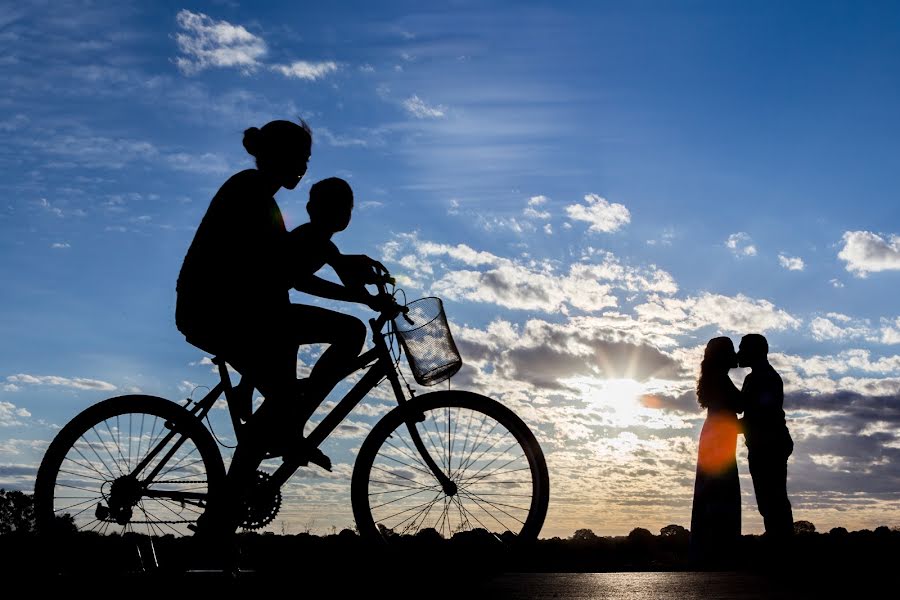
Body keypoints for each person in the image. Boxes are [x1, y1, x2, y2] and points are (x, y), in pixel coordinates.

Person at [176, 120, 390, 535]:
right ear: (278, 156)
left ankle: (230, 504)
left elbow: (289, 269)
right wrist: (355, 286)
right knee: (346, 336)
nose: (303, 167)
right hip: (219, 311)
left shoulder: (265, 200)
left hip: (241, 311)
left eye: (308, 161)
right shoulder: (250, 191)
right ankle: (232, 501)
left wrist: (351, 275)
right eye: (300, 159)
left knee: (279, 402)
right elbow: (285, 270)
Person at [689, 336, 743, 568]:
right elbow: (739, 405)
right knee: (720, 492)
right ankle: (718, 553)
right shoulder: (721, 380)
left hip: (715, 436)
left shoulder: (716, 378)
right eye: (732, 350)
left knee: (712, 492)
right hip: (718, 439)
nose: (736, 354)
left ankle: (709, 551)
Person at [737, 333, 794, 544]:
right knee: (769, 501)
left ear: (754, 351)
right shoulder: (754, 377)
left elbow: (761, 416)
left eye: (742, 349)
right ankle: (780, 545)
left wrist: (723, 427)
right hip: (765, 443)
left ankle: (782, 547)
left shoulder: (764, 378)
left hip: (769, 444)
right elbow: (746, 409)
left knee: (773, 500)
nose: (739, 354)